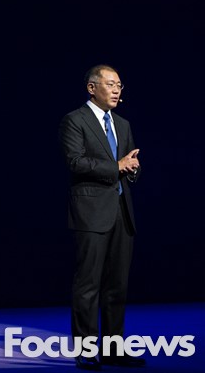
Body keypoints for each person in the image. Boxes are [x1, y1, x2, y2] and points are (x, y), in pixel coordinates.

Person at [58, 65, 145, 371]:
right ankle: (85, 350)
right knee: (88, 286)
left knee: (117, 287)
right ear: (92, 88)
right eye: (110, 84)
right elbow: (75, 162)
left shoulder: (122, 123)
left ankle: (113, 349)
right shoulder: (75, 120)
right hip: (91, 213)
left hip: (122, 212)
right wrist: (116, 167)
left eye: (119, 85)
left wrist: (131, 170)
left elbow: (128, 164)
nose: (117, 90)